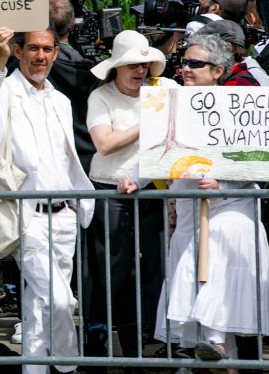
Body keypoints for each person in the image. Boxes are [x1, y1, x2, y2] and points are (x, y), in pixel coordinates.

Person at [130, 33, 269, 370]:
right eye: (184, 63)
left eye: (195, 64)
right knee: (200, 294)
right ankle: (217, 349)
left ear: (218, 70)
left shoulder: (241, 104)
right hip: (191, 218)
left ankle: (216, 341)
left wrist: (224, 180)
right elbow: (155, 153)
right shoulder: (171, 102)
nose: (186, 70)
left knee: (219, 274)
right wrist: (132, 179)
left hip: (232, 210)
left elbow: (255, 159)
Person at [0, 27, 95, 374]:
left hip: (64, 216)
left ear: (56, 53)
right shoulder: (3, 91)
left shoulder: (60, 101)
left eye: (48, 49)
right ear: (19, 52)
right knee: (60, 300)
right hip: (26, 217)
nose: (41, 56)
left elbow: (67, 160)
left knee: (39, 309)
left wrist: (75, 203)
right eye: (33, 48)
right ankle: (69, 366)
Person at [83, 30, 172, 369]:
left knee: (153, 267)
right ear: (116, 67)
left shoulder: (164, 92)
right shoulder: (101, 98)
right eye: (132, 65)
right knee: (112, 270)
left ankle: (145, 339)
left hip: (151, 191)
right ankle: (97, 337)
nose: (140, 71)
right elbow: (104, 143)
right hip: (109, 192)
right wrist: (149, 118)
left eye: (146, 65)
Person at [47, 0, 100, 175]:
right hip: (90, 156)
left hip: (54, 158)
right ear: (72, 24)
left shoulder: (30, 67)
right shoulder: (96, 70)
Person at [193, 19, 264, 86]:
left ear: (228, 47)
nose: (199, 53)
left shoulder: (239, 84)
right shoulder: (225, 78)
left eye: (207, 47)